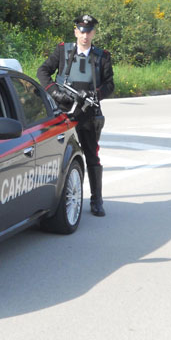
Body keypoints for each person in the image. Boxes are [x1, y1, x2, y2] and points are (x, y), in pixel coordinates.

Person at [37, 14, 114, 216]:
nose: (85, 35)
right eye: (81, 30)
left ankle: (96, 200)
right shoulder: (63, 51)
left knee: (92, 156)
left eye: (88, 31)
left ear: (93, 33)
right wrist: (54, 92)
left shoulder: (102, 56)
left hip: (88, 114)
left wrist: (94, 95)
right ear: (75, 31)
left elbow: (110, 84)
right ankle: (53, 197)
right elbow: (43, 71)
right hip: (64, 112)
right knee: (57, 155)